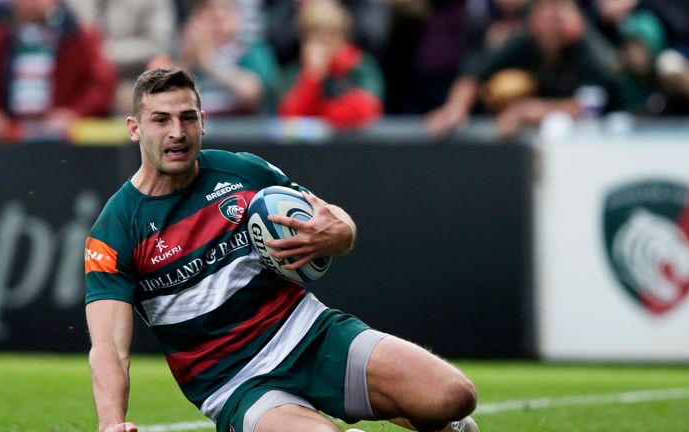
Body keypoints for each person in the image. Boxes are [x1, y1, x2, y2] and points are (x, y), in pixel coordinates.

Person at [84, 66, 478, 432]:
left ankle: (439, 423)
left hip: (311, 333)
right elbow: (109, 348)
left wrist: (337, 234)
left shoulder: (242, 172)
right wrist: (111, 422)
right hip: (235, 385)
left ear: (203, 121)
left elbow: (330, 217)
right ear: (135, 128)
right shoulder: (115, 230)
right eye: (161, 120)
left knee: (455, 397)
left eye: (187, 117)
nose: (177, 132)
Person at [424, 0, 620, 138]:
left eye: (560, 10)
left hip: (598, 139)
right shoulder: (524, 41)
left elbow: (591, 105)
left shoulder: (590, 50)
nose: (554, 19)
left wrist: (532, 110)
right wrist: (456, 106)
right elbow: (476, 70)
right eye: (547, 10)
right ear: (534, 18)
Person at [0, 0, 116, 140]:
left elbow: (101, 84)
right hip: (8, 136)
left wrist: (75, 113)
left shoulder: (78, 33)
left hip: (62, 139)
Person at [153, 0, 278, 116]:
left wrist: (208, 62)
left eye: (225, 9)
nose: (218, 16)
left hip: (242, 132)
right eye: (207, 10)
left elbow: (252, 94)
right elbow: (161, 97)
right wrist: (187, 62)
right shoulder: (183, 54)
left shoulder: (250, 51)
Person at [277, 0, 384, 130]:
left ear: (343, 36)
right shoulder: (294, 72)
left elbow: (366, 109)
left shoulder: (359, 66)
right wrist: (312, 77)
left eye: (331, 36)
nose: (325, 47)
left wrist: (318, 117)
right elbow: (289, 119)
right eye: (317, 39)